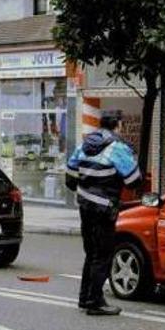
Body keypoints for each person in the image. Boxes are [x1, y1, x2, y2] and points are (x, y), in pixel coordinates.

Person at [66, 113, 143, 316]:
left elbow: (70, 178)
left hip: (85, 207)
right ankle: (95, 301)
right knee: (103, 254)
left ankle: (85, 297)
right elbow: (134, 180)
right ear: (118, 125)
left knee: (91, 253)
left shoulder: (85, 144)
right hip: (104, 209)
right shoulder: (117, 147)